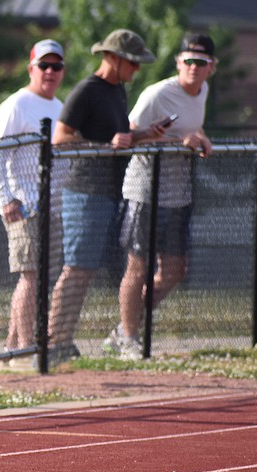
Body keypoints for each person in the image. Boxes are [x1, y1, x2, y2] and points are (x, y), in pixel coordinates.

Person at [47, 29, 165, 367]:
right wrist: (104, 148)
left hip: (110, 192)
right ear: (113, 58)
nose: (136, 70)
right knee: (76, 268)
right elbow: (60, 138)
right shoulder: (87, 90)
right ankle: (55, 342)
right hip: (85, 192)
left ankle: (63, 342)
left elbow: (116, 137)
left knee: (85, 268)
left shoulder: (118, 91)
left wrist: (143, 135)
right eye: (132, 62)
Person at [104, 34, 216, 359]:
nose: (194, 68)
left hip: (177, 192)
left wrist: (201, 139)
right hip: (145, 190)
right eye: (189, 61)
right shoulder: (157, 94)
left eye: (201, 62)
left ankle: (126, 324)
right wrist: (165, 140)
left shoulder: (203, 91)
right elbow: (126, 136)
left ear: (212, 68)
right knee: (137, 266)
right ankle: (128, 337)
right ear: (179, 63)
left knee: (175, 270)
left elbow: (194, 129)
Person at [0, 39, 65, 364]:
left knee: (41, 276)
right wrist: (6, 199)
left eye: (56, 66)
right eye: (43, 65)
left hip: (54, 206)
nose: (49, 72)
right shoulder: (16, 105)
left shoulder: (60, 107)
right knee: (31, 275)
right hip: (25, 206)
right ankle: (24, 347)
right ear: (31, 68)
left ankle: (11, 346)